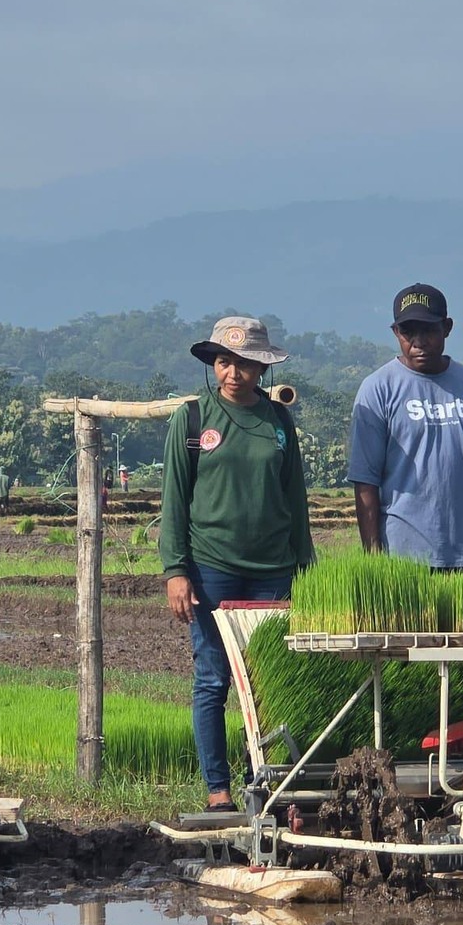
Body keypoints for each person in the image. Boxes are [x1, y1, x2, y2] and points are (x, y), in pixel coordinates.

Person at [161, 316, 316, 812]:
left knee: (269, 680)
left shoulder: (277, 422)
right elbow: (175, 501)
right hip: (211, 568)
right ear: (214, 365)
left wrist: (305, 570)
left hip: (272, 569)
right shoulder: (191, 420)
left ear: (261, 368)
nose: (234, 373)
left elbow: (295, 501)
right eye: (225, 362)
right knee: (213, 677)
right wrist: (176, 572)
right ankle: (218, 791)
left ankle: (263, 786)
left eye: (245, 364)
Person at [348, 284, 463, 570]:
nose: (419, 341)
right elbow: (366, 482)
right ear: (396, 333)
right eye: (408, 332)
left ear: (447, 328)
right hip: (403, 560)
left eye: (428, 330)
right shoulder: (377, 389)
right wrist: (374, 561)